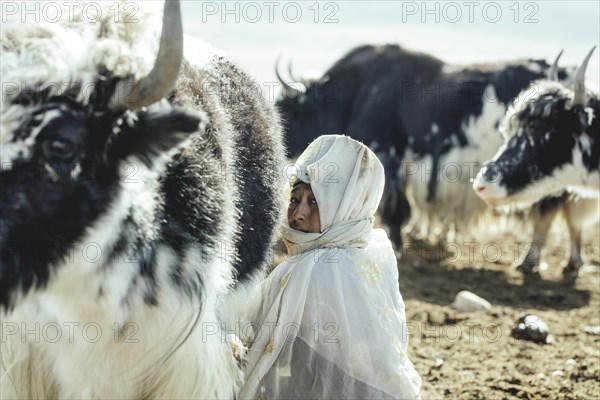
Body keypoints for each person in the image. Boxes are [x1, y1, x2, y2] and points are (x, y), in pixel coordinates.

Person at [237, 135, 422, 399]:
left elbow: (256, 347)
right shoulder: (367, 253)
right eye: (295, 199)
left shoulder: (316, 269)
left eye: (315, 203)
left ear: (344, 208)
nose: (298, 214)